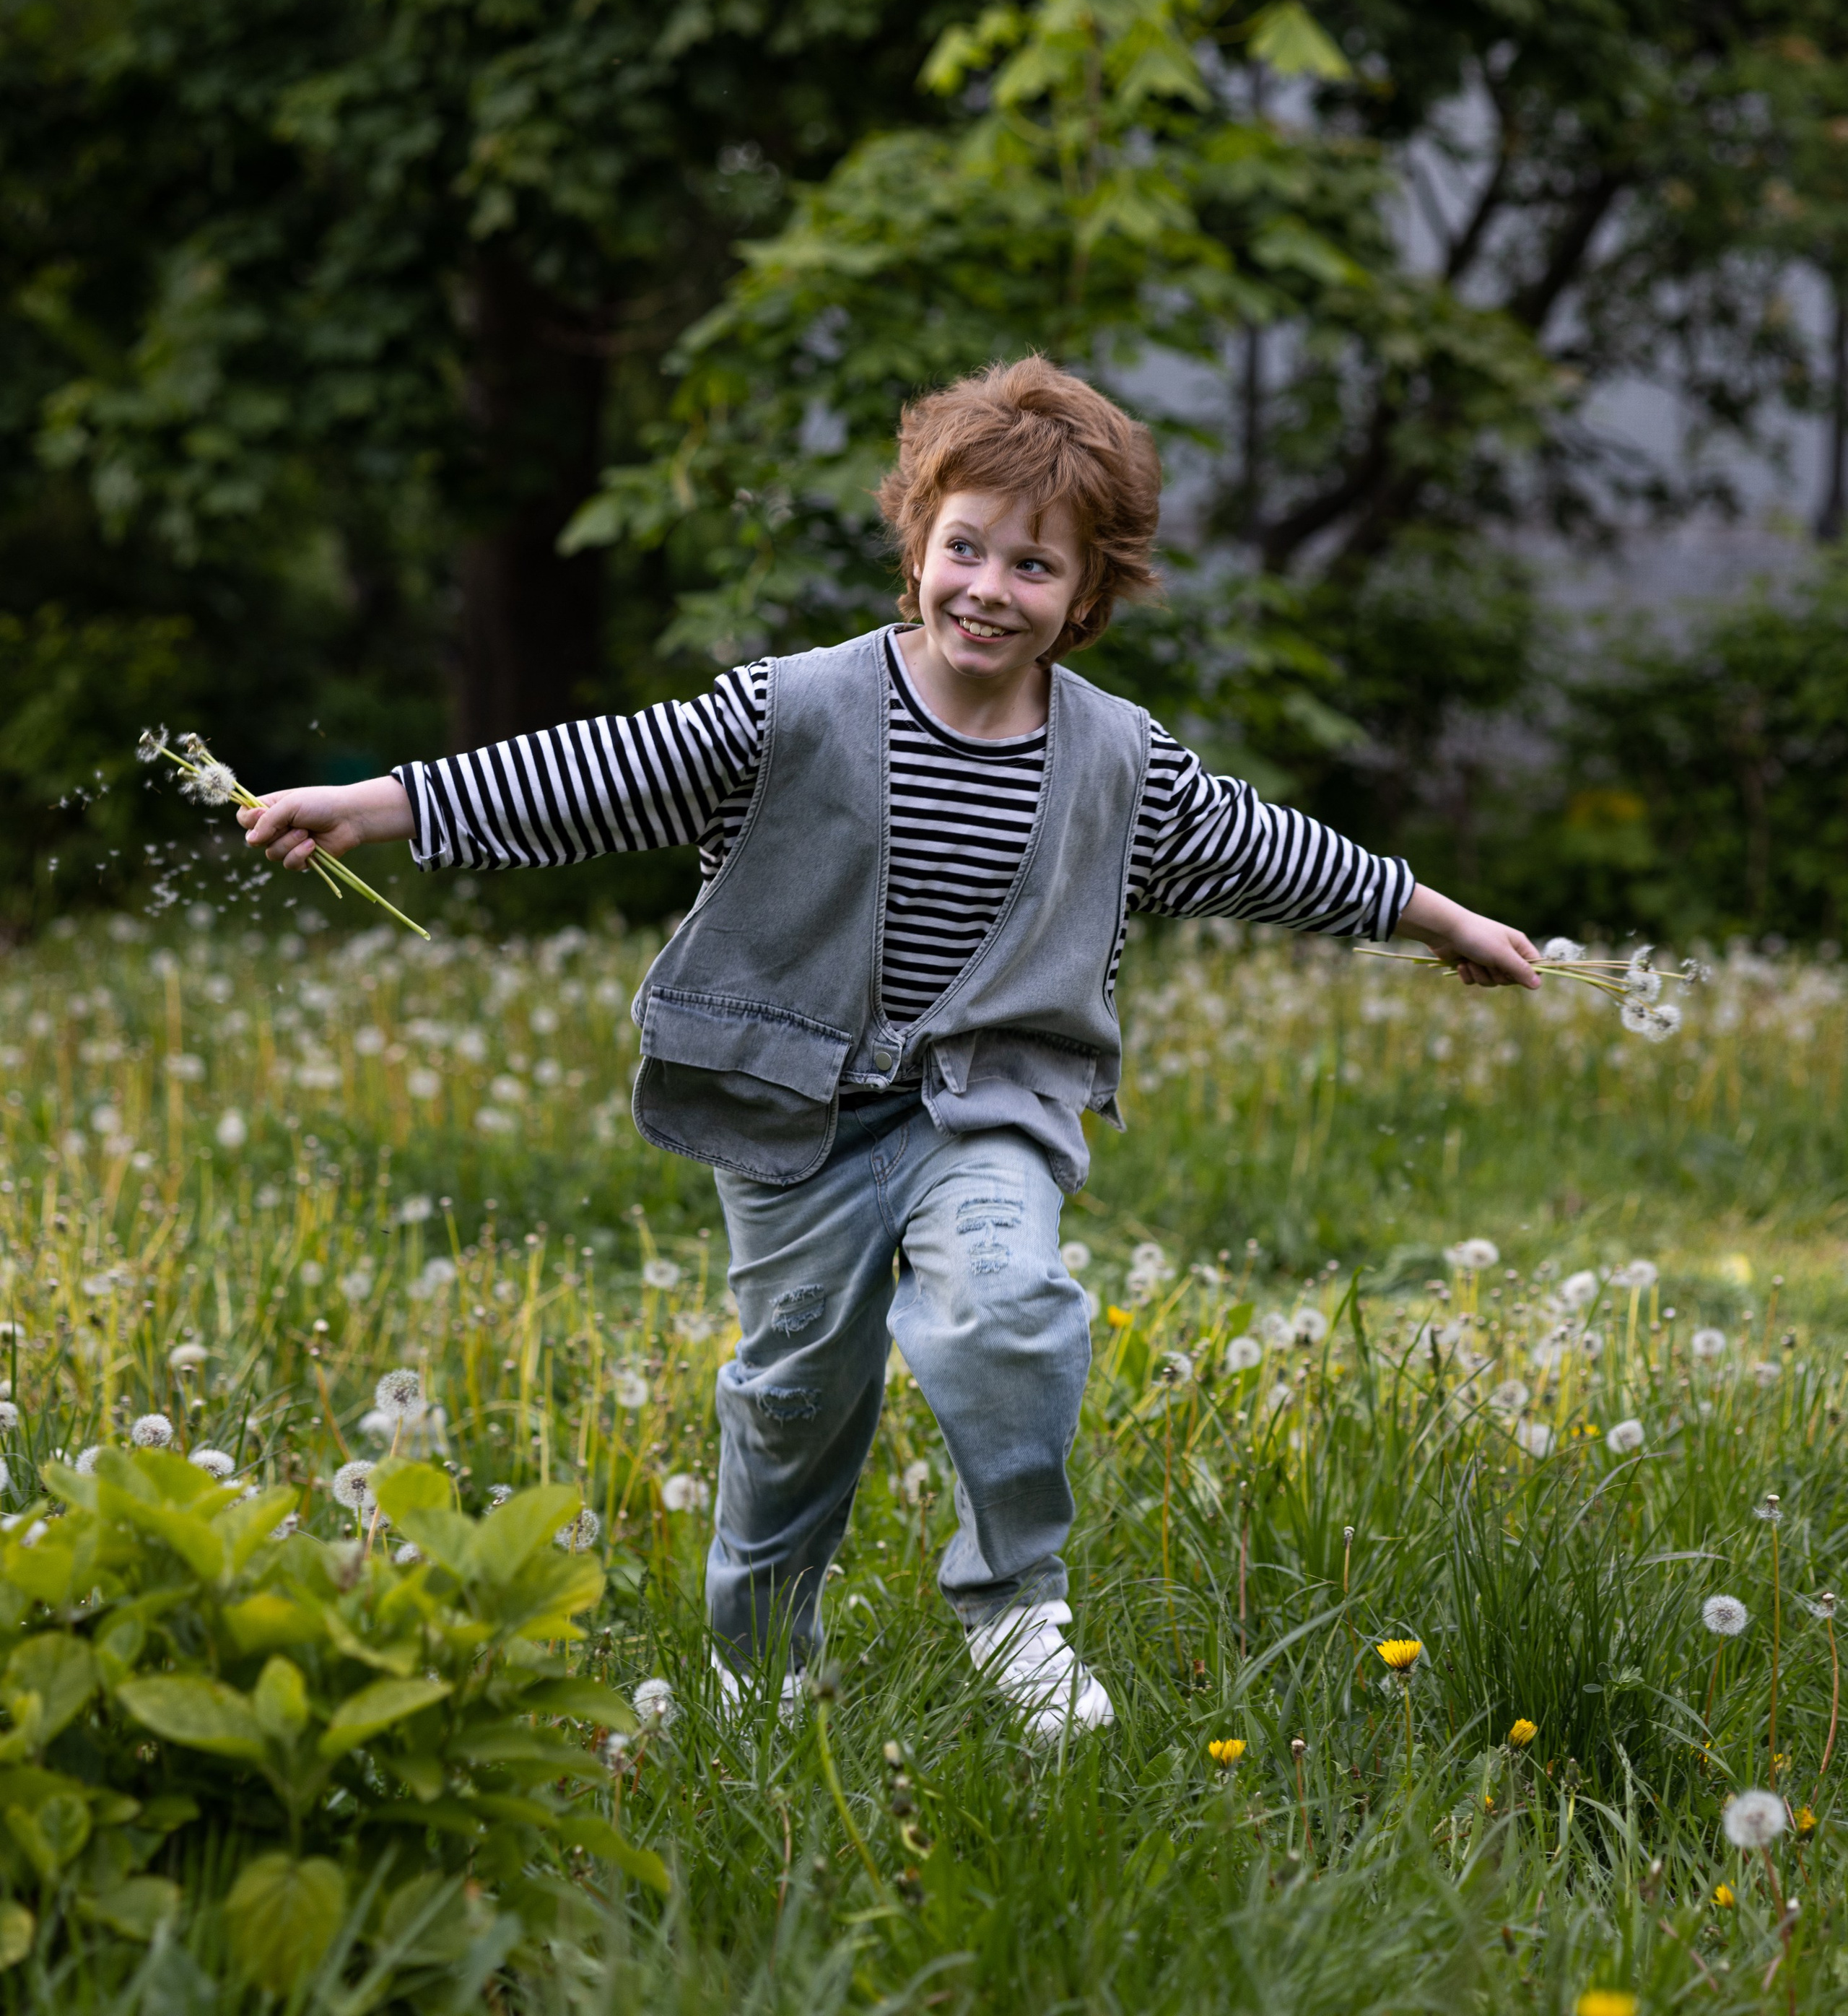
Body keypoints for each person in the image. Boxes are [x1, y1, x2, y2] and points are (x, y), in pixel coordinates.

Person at [239, 357, 1539, 1737]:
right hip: (792, 1105)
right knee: (797, 1392)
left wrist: (1442, 919)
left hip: (993, 1103)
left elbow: (1274, 851)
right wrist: (384, 806)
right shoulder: (791, 708)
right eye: (963, 546)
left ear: (1085, 598)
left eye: (1032, 566)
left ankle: (1014, 1604)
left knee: (1010, 1298)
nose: (988, 586)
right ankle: (762, 1664)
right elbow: (594, 772)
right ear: (916, 543)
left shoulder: (1118, 760)